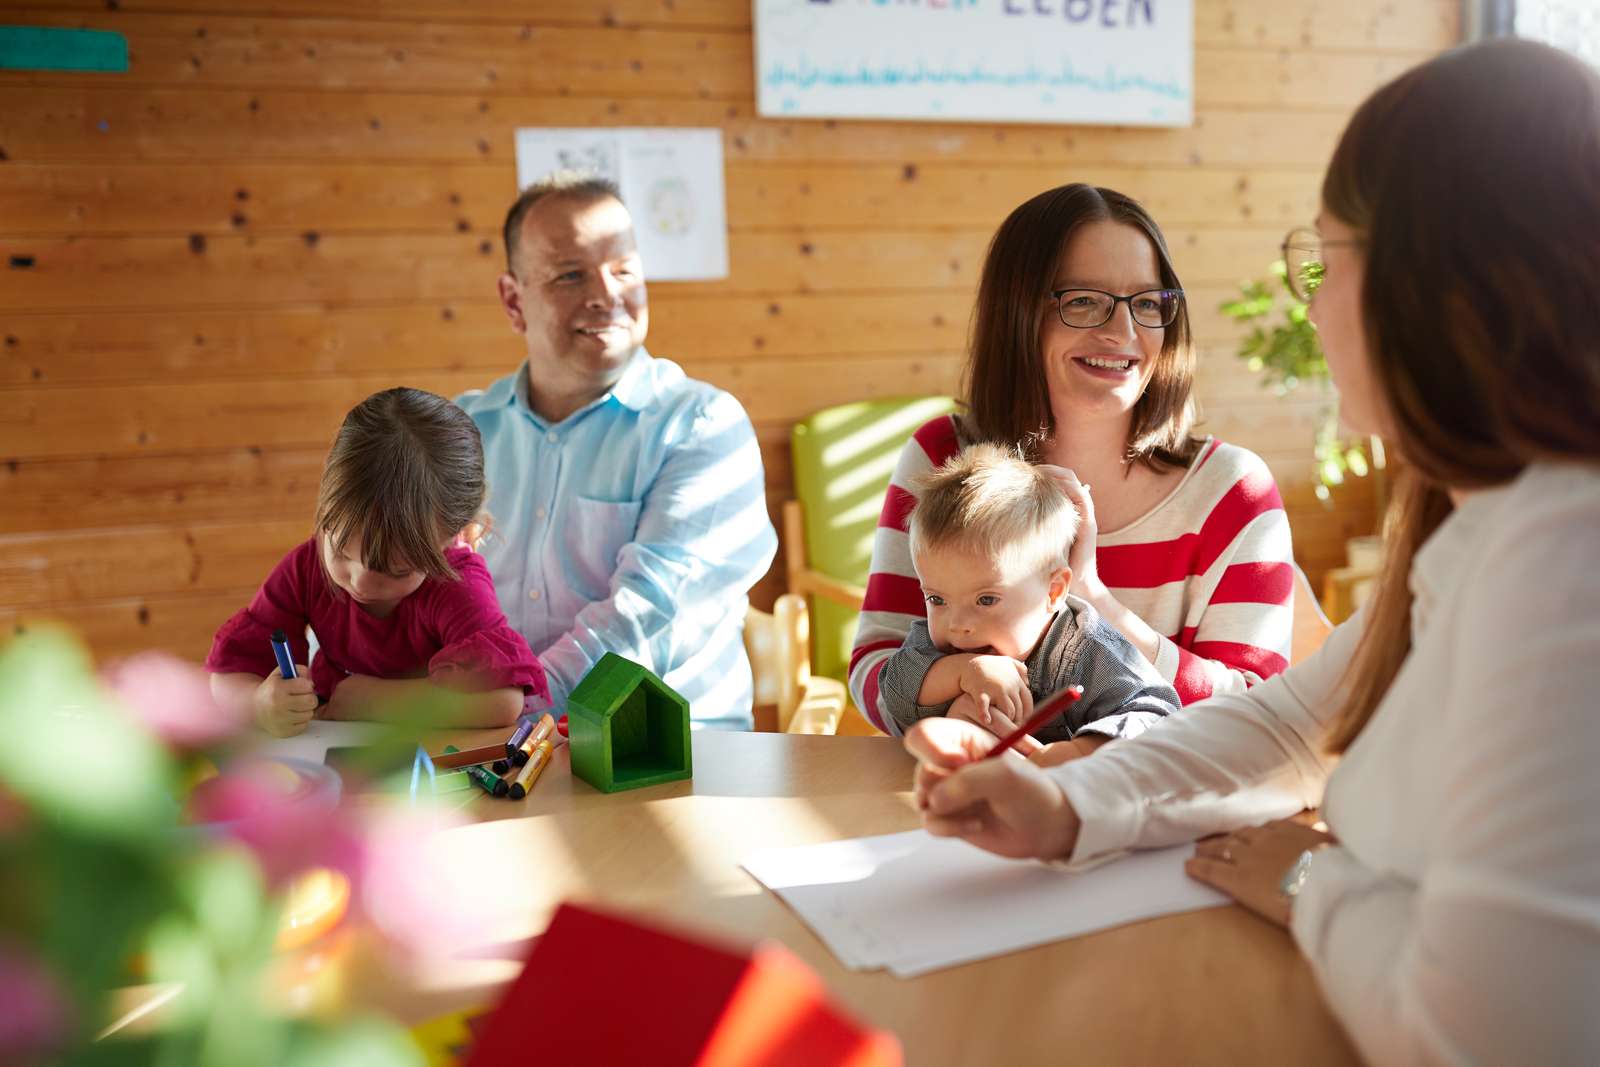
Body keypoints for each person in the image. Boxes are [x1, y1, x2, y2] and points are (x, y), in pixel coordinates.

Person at [904, 38, 1600, 1064]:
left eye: (1324, 261)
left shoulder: (1565, 565)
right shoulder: (1482, 517)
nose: (1307, 304)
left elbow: (1476, 1033)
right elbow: (1285, 721)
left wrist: (1307, 882)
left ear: (1433, 285)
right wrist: (1064, 805)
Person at [850, 183, 1293, 735]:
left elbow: (1262, 714)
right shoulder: (941, 456)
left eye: (1147, 303)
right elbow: (873, 666)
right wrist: (963, 679)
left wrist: (1090, 595)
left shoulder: (1233, 490)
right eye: (1084, 300)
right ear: (1017, 313)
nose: (1124, 333)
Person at [457, 172, 777, 729]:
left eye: (624, 270)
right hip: (489, 745)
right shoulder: (459, 433)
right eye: (570, 274)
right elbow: (393, 583)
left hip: (666, 755)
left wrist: (513, 705)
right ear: (514, 301)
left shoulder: (702, 426)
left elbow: (647, 619)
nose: (607, 295)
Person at [207, 388, 547, 736]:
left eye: (395, 571)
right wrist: (259, 704)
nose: (361, 581)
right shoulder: (306, 567)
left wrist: (373, 700)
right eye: (339, 551)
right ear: (326, 511)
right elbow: (227, 676)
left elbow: (503, 701)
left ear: (457, 536)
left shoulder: (454, 584)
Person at [876, 443, 1179, 756]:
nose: (957, 625)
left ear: (1054, 592)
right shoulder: (939, 647)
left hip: (1065, 798)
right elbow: (893, 688)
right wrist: (964, 671)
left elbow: (1158, 714)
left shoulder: (1083, 651)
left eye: (986, 600)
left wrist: (1079, 752)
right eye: (937, 599)